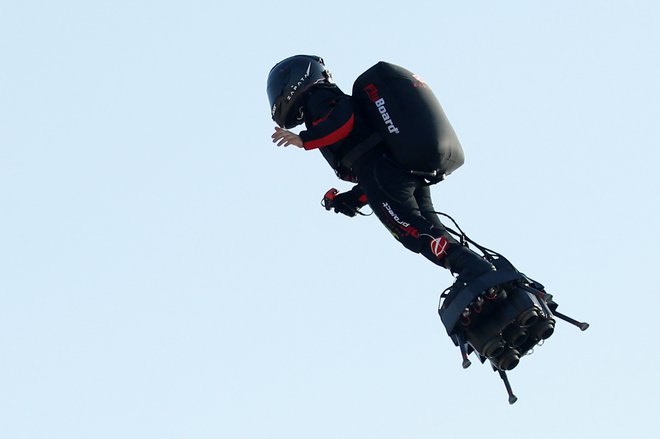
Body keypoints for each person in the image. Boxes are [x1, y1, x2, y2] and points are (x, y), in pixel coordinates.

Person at [267, 55, 493, 289]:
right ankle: (492, 275)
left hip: (381, 170)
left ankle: (475, 271)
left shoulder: (318, 97)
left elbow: (344, 120)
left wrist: (305, 139)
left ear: (297, 80)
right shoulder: (321, 99)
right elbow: (366, 159)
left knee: (409, 230)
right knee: (429, 227)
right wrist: (352, 199)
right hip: (392, 169)